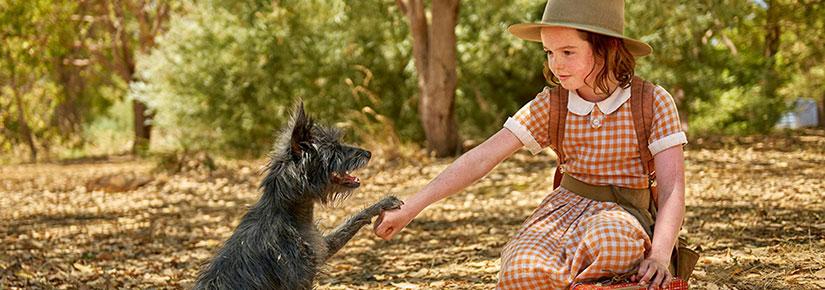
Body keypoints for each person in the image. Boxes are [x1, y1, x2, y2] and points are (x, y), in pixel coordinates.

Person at [373, 0, 687, 289]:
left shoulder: (651, 101)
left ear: (606, 48)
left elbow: (672, 186)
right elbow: (482, 158)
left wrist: (660, 254)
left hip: (625, 213)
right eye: (549, 53)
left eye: (567, 52)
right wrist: (411, 208)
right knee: (520, 268)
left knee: (610, 242)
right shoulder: (552, 104)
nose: (555, 65)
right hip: (564, 212)